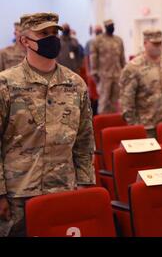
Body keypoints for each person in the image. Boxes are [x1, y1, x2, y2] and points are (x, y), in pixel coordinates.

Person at [0, 13, 95, 237]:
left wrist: (84, 183)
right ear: (24, 41)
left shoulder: (75, 84)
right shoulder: (6, 84)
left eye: (54, 33)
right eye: (43, 33)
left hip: (62, 190)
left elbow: (84, 140)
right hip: (18, 195)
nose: (51, 38)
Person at [120, 29, 162, 138]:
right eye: (155, 44)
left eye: (160, 43)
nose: (158, 46)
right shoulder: (133, 68)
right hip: (146, 127)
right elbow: (126, 102)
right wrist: (135, 128)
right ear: (145, 43)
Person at [90, 19, 126, 114]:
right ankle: (102, 123)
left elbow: (122, 57)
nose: (112, 27)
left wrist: (124, 72)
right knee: (104, 101)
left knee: (115, 101)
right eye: (110, 25)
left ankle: (112, 122)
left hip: (117, 74)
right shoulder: (98, 41)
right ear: (105, 27)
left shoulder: (118, 40)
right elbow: (93, 57)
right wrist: (94, 73)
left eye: (112, 25)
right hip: (103, 76)